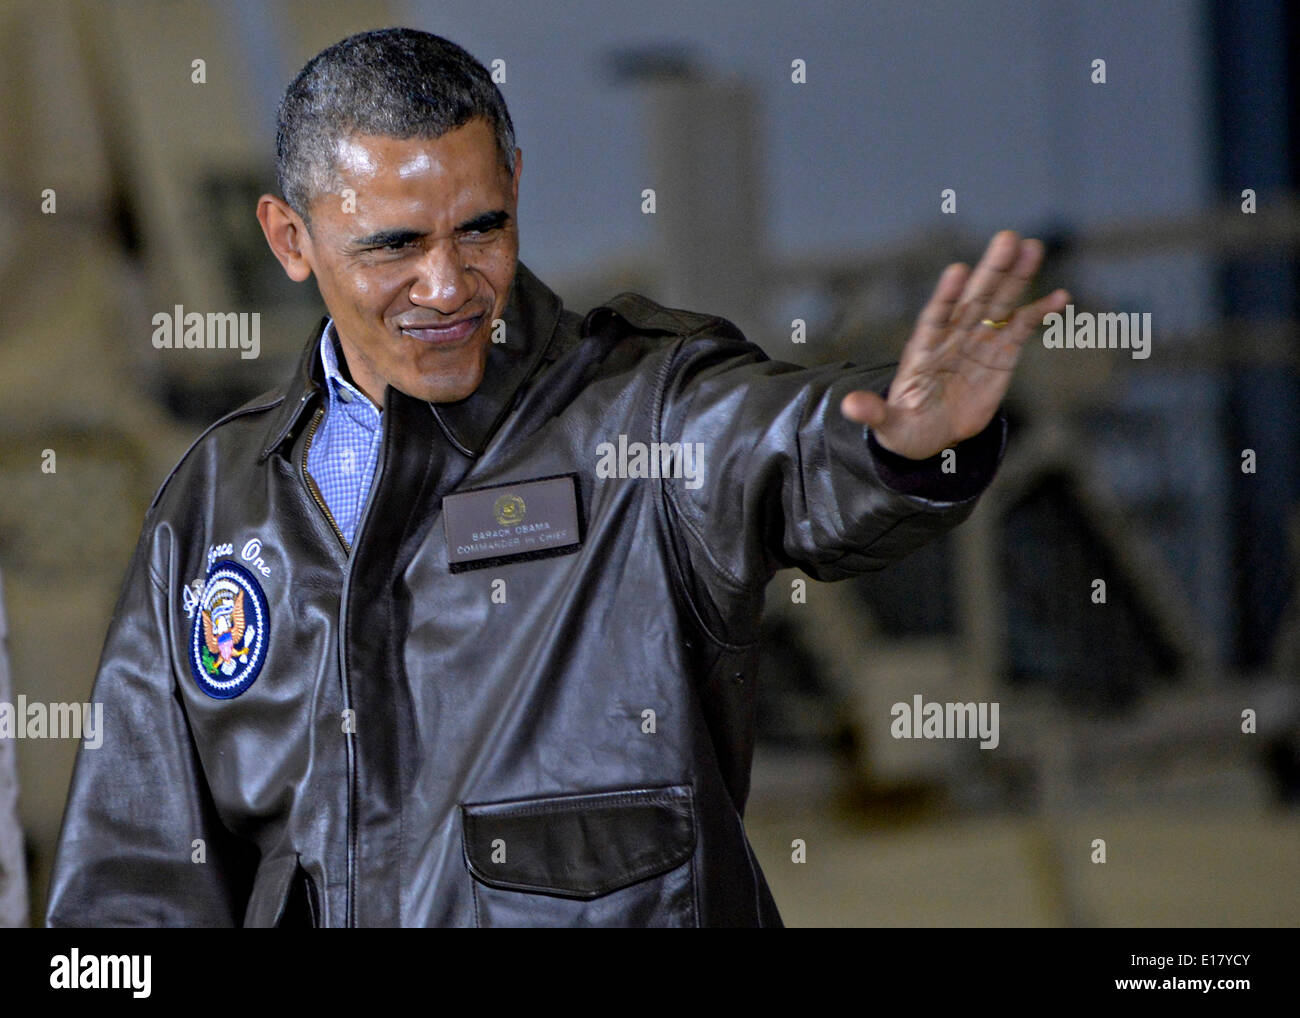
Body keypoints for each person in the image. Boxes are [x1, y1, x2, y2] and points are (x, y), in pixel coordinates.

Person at [45, 27, 1069, 927]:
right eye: (394, 246)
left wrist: (895, 445)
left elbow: (776, 444)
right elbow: (133, 880)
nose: (447, 286)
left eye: (479, 227)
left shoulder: (639, 410)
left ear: (518, 187)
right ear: (290, 239)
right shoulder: (219, 500)